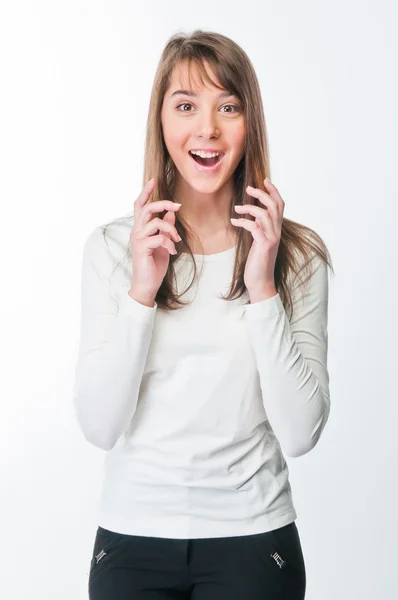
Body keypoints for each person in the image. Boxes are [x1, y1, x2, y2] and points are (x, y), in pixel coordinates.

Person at [73, 29, 333, 600]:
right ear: (161, 121)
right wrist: (143, 290)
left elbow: (300, 432)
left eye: (228, 106)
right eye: (186, 105)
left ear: (250, 122)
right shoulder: (114, 250)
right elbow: (98, 425)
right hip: (131, 541)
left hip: (253, 540)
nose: (207, 129)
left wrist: (262, 285)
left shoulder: (297, 256)